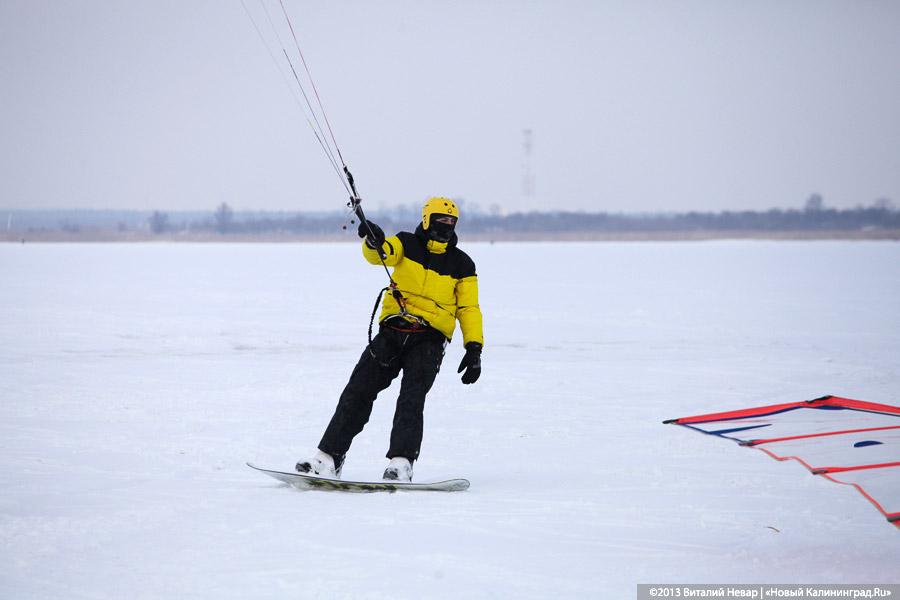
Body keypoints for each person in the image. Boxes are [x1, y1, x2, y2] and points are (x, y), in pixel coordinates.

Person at [296, 197, 484, 482]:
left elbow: (469, 309)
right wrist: (374, 241)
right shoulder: (405, 243)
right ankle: (328, 458)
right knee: (358, 390)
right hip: (392, 332)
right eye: (440, 221)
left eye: (451, 222)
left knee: (411, 398)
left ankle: (401, 463)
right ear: (426, 220)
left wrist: (474, 348)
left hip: (429, 340)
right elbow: (382, 253)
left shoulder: (463, 264)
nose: (445, 227)